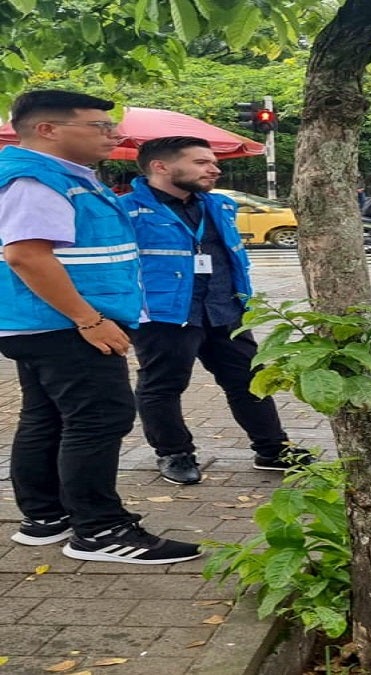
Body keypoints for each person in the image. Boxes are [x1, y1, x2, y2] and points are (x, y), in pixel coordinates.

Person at [0, 90, 201, 564]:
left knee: (47, 417)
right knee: (100, 417)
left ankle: (46, 516)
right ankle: (100, 530)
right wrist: (88, 320)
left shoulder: (65, 177)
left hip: (46, 323)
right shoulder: (37, 179)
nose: (113, 135)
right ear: (47, 129)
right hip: (65, 324)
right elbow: (26, 254)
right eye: (99, 126)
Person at [120, 136, 314, 485]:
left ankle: (272, 448)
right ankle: (174, 453)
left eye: (213, 161)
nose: (214, 168)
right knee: (163, 384)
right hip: (165, 313)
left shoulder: (218, 205)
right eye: (201, 162)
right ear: (160, 166)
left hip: (224, 308)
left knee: (248, 379)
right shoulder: (127, 211)